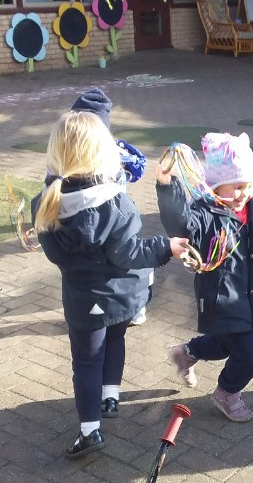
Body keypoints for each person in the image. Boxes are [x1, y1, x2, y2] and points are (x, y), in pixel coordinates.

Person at [33, 110, 188, 459]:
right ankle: (110, 397)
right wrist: (166, 246)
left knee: (86, 361)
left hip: (82, 298)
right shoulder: (115, 202)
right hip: (119, 295)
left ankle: (90, 430)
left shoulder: (46, 201)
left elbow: (54, 253)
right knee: (116, 338)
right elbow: (130, 252)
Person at [156, 132, 253, 423]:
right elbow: (180, 222)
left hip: (247, 295)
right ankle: (226, 393)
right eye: (236, 186)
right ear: (217, 185)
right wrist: (167, 186)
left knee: (224, 342)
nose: (242, 193)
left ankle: (187, 352)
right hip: (220, 297)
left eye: (248, 185)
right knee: (248, 350)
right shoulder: (207, 214)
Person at [69, 87, 152, 325]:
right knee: (99, 269)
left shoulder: (112, 153)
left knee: (126, 265)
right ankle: (103, 307)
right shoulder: (67, 159)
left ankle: (133, 308)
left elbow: (137, 168)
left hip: (114, 222)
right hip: (86, 225)